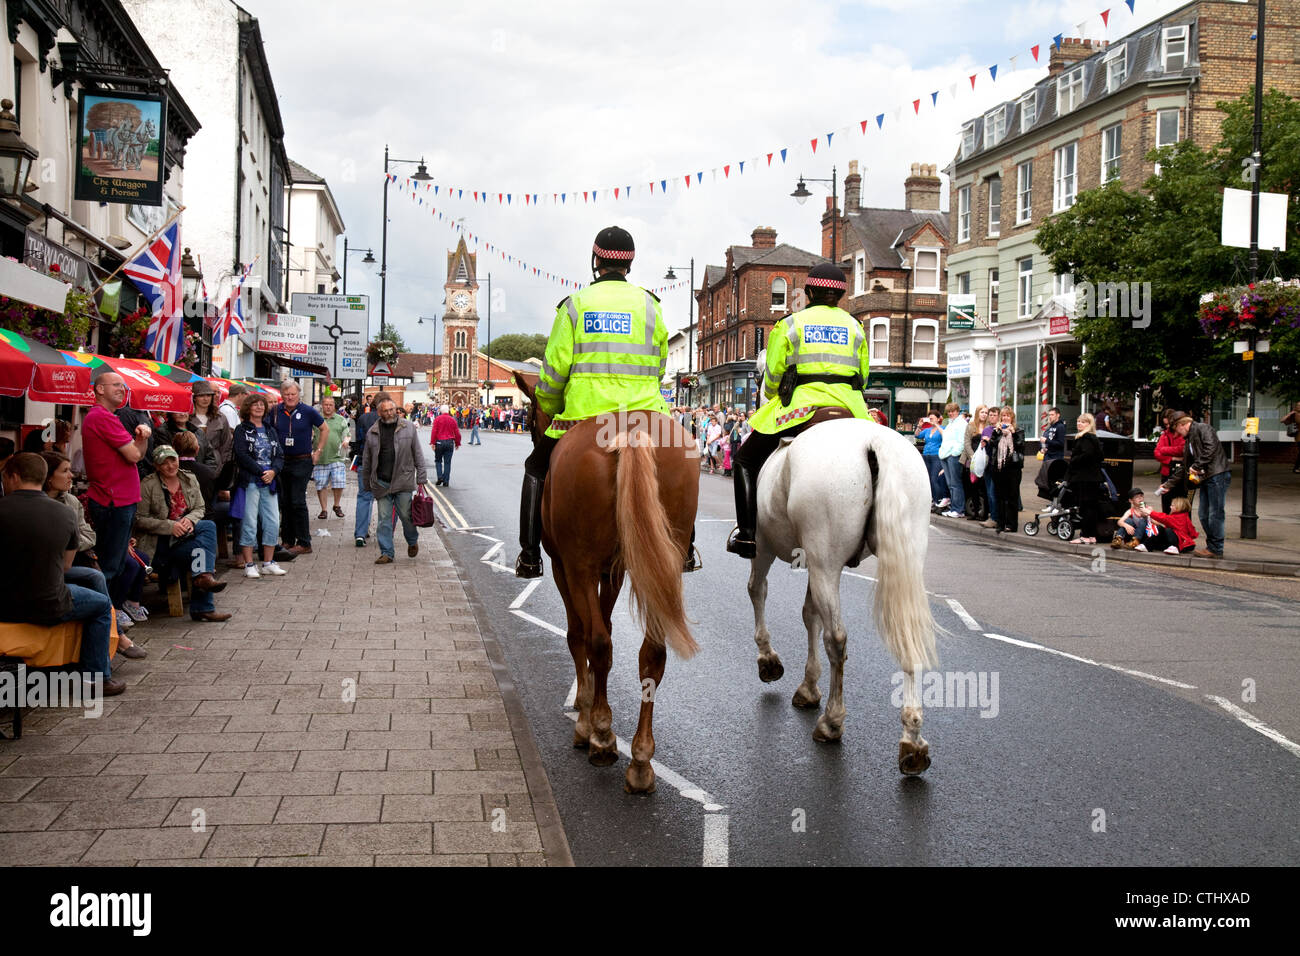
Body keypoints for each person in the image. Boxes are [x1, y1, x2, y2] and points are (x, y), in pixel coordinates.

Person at [520, 225, 696, 576]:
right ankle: (687, 548)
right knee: (685, 457)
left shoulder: (574, 306)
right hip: (647, 412)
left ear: (596, 260)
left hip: (584, 414)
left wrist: (550, 409)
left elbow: (553, 374)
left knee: (535, 467)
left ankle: (529, 554)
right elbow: (660, 365)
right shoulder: (650, 305)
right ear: (629, 264)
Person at [726, 262, 871, 558]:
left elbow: (772, 380)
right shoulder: (855, 327)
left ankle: (747, 537)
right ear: (841, 296)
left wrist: (773, 391)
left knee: (744, 460)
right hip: (850, 409)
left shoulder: (790, 324)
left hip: (802, 408)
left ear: (808, 292)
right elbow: (864, 377)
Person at [0, 453, 124, 695]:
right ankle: (95, 679)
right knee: (101, 606)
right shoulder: (65, 514)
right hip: (48, 603)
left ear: (13, 477)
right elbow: (66, 566)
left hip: (4, 603)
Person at [135, 445, 231, 623]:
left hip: (186, 536)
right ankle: (203, 607)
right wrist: (170, 526)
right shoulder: (148, 485)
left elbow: (200, 508)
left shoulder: (189, 479)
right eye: (165, 462)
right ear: (157, 466)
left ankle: (203, 581)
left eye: (173, 460)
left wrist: (190, 520)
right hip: (162, 543)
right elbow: (139, 519)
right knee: (200, 552)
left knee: (207, 526)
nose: (171, 466)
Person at [83, 370, 150, 616]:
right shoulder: (102, 417)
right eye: (116, 385)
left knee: (118, 562)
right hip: (114, 499)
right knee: (111, 566)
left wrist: (141, 439)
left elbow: (136, 452)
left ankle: (109, 619)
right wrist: (142, 438)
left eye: (123, 386)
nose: (122, 389)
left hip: (119, 498)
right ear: (100, 389)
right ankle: (105, 621)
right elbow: (134, 455)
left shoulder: (106, 417)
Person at [361, 397, 427, 564]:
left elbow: (418, 453)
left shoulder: (408, 427)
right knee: (384, 519)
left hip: (403, 480)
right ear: (379, 412)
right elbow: (367, 459)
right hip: (382, 482)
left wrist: (421, 476)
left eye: (392, 409)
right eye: (385, 410)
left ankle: (412, 541)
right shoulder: (372, 432)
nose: (389, 413)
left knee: (406, 516)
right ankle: (387, 552)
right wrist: (366, 482)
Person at [232, 392, 287, 579]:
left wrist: (273, 471)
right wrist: (260, 471)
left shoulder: (270, 429)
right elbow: (241, 455)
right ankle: (249, 563)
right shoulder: (241, 429)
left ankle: (268, 562)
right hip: (250, 481)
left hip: (269, 482)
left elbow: (279, 455)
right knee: (249, 522)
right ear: (248, 408)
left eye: (262, 405)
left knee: (273, 521)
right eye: (255, 404)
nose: (259, 407)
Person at [269, 380, 326, 556]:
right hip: (281, 461)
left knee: (297, 500)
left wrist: (318, 451)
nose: (290, 397)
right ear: (282, 395)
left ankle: (304, 542)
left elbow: (324, 429)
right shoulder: (275, 411)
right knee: (284, 501)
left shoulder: (308, 411)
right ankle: (287, 540)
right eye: (286, 394)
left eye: (293, 394)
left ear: (298, 394)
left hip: (302, 461)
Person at [1171, 414, 1230, 559]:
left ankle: (1216, 548)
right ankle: (1212, 546)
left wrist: (1196, 466)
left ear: (1182, 424)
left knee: (1215, 514)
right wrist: (1168, 484)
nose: (1178, 433)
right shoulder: (1189, 439)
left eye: (1178, 429)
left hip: (1217, 474)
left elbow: (1211, 448)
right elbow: (1186, 466)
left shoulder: (1203, 428)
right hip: (1206, 477)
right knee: (1203, 515)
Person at [352, 391, 388, 547]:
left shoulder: (363, 418)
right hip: (385, 465)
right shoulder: (390, 420)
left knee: (364, 498)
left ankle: (360, 534)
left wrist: (358, 456)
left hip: (364, 463)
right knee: (385, 499)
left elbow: (355, 440)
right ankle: (385, 534)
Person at [1067, 412, 1104, 544]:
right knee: (1092, 507)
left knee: (1085, 507)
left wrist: (1074, 460)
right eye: (1078, 421)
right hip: (1093, 477)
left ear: (1089, 424)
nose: (1079, 424)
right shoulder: (1094, 438)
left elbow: (1086, 455)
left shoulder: (1085, 438)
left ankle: (1085, 535)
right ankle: (1092, 535)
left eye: (1083, 422)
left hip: (1085, 477)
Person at [987, 407, 1025, 534]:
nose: (1005, 418)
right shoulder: (997, 431)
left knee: (1012, 497)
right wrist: (997, 433)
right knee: (1000, 497)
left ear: (1012, 417)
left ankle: (1011, 524)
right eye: (1003, 416)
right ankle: (1001, 522)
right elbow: (992, 445)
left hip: (1013, 468)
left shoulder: (1018, 431)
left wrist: (1012, 434)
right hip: (999, 467)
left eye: (1008, 416)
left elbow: (1020, 446)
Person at [312, 395, 350, 519]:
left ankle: (336, 505)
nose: (328, 407)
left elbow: (348, 434)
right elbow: (310, 434)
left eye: (331, 405)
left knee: (339, 481)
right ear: (322, 405)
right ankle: (323, 510)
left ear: (334, 406)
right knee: (321, 484)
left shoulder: (340, 419)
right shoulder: (316, 419)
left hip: (337, 456)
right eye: (326, 404)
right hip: (321, 457)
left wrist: (346, 441)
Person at [192, 380, 233, 472]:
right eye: (201, 395)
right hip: (192, 464)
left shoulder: (220, 417)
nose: (205, 399)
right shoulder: (187, 417)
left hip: (215, 466)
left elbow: (226, 444)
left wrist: (221, 464)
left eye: (208, 395)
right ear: (194, 398)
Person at [1153, 408, 1187, 512]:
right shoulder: (1165, 435)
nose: (1168, 427)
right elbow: (1157, 453)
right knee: (1167, 505)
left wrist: (1165, 450)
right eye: (1165, 424)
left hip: (1181, 473)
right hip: (1167, 473)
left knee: (1182, 505)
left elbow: (1182, 449)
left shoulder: (1183, 434)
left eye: (1169, 424)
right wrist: (1172, 459)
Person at [938, 403, 968, 518]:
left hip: (953, 456)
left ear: (957, 411)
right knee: (951, 484)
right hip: (945, 455)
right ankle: (954, 508)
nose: (950, 413)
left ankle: (958, 509)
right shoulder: (950, 423)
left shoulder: (961, 423)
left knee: (955, 483)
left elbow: (961, 441)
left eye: (953, 411)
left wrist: (953, 453)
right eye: (949, 412)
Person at [920, 412, 947, 509]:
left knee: (934, 478)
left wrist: (936, 425)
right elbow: (917, 435)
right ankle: (932, 499)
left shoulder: (943, 428)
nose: (930, 420)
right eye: (929, 418)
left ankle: (937, 500)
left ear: (938, 418)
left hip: (936, 455)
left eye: (932, 418)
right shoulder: (927, 430)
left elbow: (945, 436)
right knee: (928, 479)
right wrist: (920, 425)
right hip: (926, 455)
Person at [431, 404, 461, 486]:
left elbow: (434, 432)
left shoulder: (437, 419)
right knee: (447, 462)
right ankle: (446, 481)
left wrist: (432, 443)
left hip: (439, 442)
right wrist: (457, 443)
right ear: (448, 411)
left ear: (441, 411)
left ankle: (440, 476)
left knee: (438, 461)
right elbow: (457, 433)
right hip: (449, 442)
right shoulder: (452, 420)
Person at [1281, 401, 1300, 474]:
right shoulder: (1294, 414)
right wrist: (1290, 413)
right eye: (1298, 405)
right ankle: (1296, 468)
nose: (1299, 407)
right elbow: (1282, 420)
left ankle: (1296, 467)